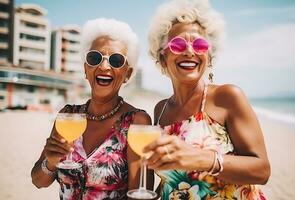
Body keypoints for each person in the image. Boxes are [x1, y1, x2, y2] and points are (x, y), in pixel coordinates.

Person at [143, 0, 271, 199]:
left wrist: (201, 158)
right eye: (177, 45)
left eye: (199, 44)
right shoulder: (160, 110)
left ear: (209, 57)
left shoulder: (227, 97)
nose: (189, 51)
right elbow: (170, 180)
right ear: (162, 58)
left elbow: (262, 171)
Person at [31, 18, 154, 199]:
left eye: (116, 60)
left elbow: (139, 195)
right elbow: (38, 181)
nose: (104, 66)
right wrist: (50, 162)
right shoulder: (68, 116)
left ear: (127, 74)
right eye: (95, 58)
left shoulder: (136, 122)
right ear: (86, 68)